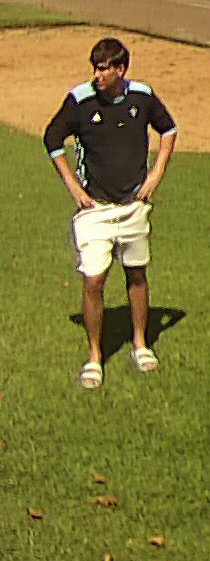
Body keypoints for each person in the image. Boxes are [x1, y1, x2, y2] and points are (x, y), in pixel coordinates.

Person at [43, 37, 177, 390]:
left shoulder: (142, 97)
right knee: (93, 280)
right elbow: (52, 139)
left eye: (104, 69)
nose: (97, 75)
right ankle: (94, 356)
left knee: (137, 274)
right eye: (95, 68)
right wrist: (74, 187)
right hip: (95, 210)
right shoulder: (80, 100)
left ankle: (140, 343)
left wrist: (156, 174)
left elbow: (169, 129)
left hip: (133, 206)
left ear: (121, 69)